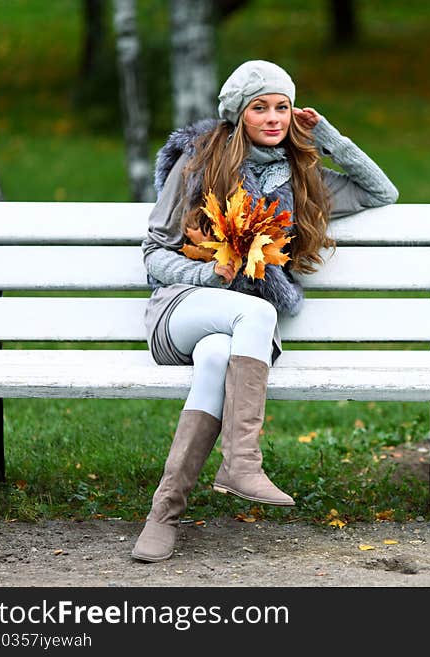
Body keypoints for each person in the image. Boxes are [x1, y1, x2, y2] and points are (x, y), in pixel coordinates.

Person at [132, 60, 398, 562]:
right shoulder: (198, 165)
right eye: (260, 108)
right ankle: (242, 463)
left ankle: (163, 515)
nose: (273, 118)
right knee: (256, 315)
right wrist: (208, 276)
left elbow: (381, 192)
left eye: (282, 107)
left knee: (216, 360)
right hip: (182, 310)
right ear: (239, 116)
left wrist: (327, 136)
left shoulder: (300, 179)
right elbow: (154, 250)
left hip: (234, 337)